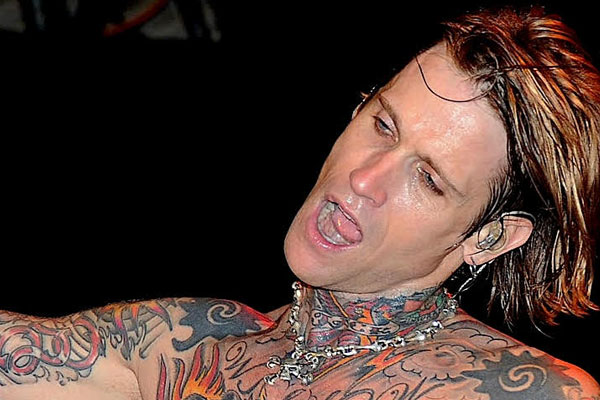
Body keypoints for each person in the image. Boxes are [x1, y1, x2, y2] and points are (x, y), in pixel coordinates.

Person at [1, 4, 599, 399]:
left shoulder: (518, 390)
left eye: (429, 179)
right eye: (382, 125)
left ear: (489, 237)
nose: (364, 178)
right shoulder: (193, 343)